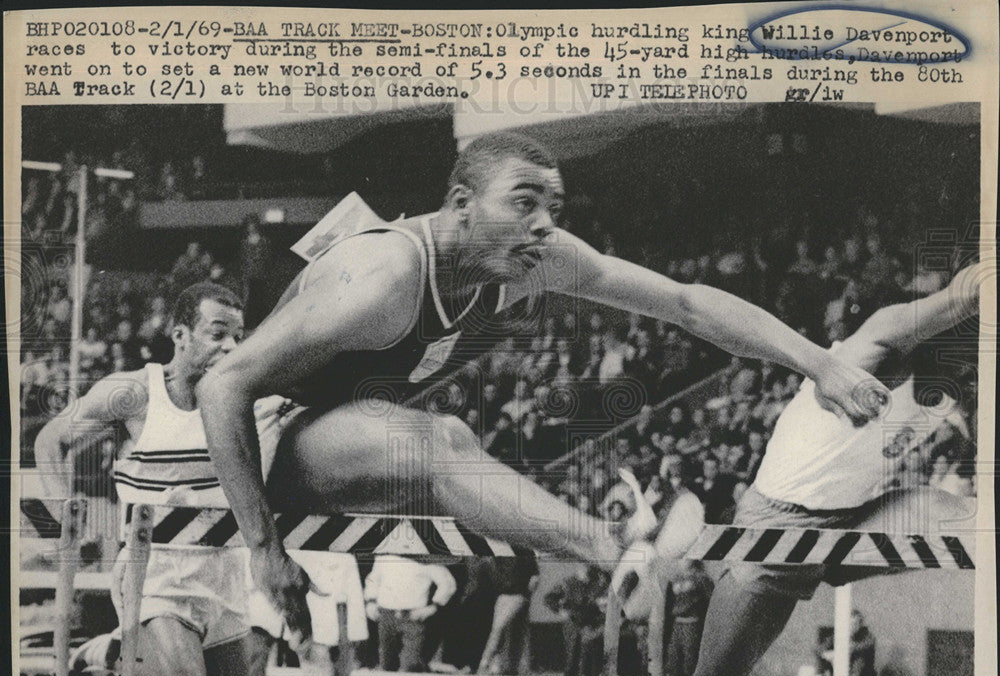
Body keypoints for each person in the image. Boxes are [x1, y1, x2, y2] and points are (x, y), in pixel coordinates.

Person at [194, 131, 890, 646]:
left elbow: (684, 301)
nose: (545, 223)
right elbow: (223, 384)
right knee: (438, 439)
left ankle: (614, 546)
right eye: (523, 202)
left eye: (553, 205)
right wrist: (263, 548)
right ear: (461, 204)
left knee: (449, 440)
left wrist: (818, 361)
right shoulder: (384, 276)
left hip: (344, 426)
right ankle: (614, 544)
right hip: (247, 442)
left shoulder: (534, 261)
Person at [654, 263, 982, 676]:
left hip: (850, 525)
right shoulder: (879, 342)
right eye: (970, 362)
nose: (972, 376)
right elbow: (960, 298)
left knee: (971, 520)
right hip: (773, 526)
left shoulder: (952, 390)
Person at [35, 282, 250, 676]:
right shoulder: (135, 392)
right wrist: (62, 519)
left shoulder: (245, 392)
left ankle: (120, 648)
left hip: (225, 576)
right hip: (155, 578)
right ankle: (138, 634)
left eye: (239, 336)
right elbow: (50, 440)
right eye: (218, 333)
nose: (231, 347)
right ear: (180, 334)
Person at [365, 556, 457, 672]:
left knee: (410, 662)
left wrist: (434, 606)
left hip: (412, 617)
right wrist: (371, 601)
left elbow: (447, 583)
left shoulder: (425, 559)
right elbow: (373, 579)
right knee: (386, 659)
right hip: (386, 614)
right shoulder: (385, 557)